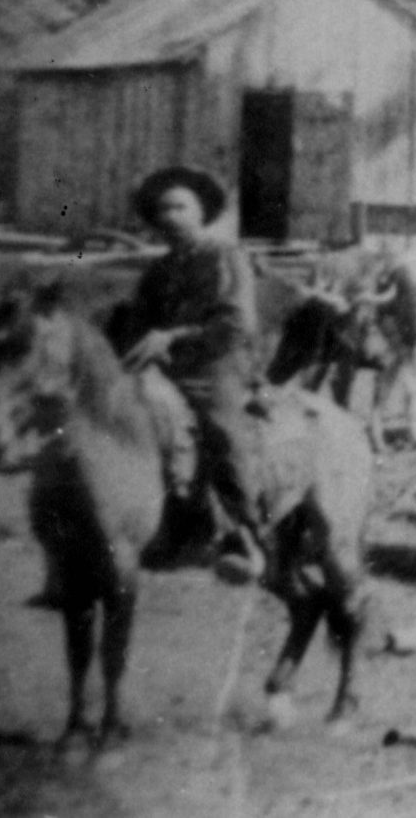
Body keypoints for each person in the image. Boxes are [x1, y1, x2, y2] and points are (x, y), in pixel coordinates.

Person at [121, 165, 268, 586]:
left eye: (181, 206)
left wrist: (173, 337)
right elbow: (138, 323)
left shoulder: (226, 257)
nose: (171, 216)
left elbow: (237, 323)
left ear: (202, 212)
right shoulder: (157, 271)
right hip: (163, 368)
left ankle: (245, 532)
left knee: (221, 430)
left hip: (216, 362)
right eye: (162, 209)